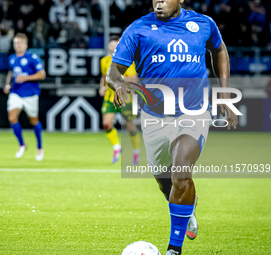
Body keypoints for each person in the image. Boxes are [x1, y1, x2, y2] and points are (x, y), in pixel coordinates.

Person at [106, 0, 238, 254]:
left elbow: (219, 51)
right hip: (154, 117)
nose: (159, 3)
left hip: (194, 112)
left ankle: (173, 250)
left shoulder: (202, 24)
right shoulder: (138, 29)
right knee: (165, 183)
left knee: (180, 173)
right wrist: (118, 83)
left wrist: (223, 91)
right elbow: (112, 72)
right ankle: (187, 210)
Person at [3, 33, 46, 161]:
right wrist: (7, 84)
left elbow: (42, 74)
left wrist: (26, 78)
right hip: (16, 92)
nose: (18, 45)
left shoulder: (32, 58)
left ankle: (39, 147)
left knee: (33, 121)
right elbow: (11, 72)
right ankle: (22, 144)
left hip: (30, 94)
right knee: (12, 117)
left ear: (26, 45)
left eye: (21, 43)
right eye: (16, 43)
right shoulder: (11, 58)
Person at [100, 35, 140, 164]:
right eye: (110, 44)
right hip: (109, 97)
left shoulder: (127, 61)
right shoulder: (104, 61)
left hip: (125, 97)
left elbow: (134, 79)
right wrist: (102, 87)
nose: (111, 47)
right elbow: (104, 76)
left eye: (114, 44)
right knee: (107, 124)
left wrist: (118, 79)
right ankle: (117, 147)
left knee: (131, 127)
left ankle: (136, 151)